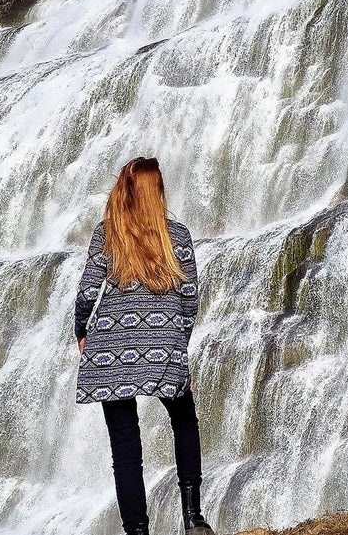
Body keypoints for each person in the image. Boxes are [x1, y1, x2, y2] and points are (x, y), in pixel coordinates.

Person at [74, 156, 215, 535]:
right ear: (159, 192)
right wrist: (178, 349)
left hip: (109, 347)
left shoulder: (109, 232)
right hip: (164, 344)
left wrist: (81, 331)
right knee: (183, 419)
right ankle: (192, 518)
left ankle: (137, 531)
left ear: (126, 190)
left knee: (124, 445)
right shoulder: (177, 235)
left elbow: (88, 291)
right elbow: (190, 299)